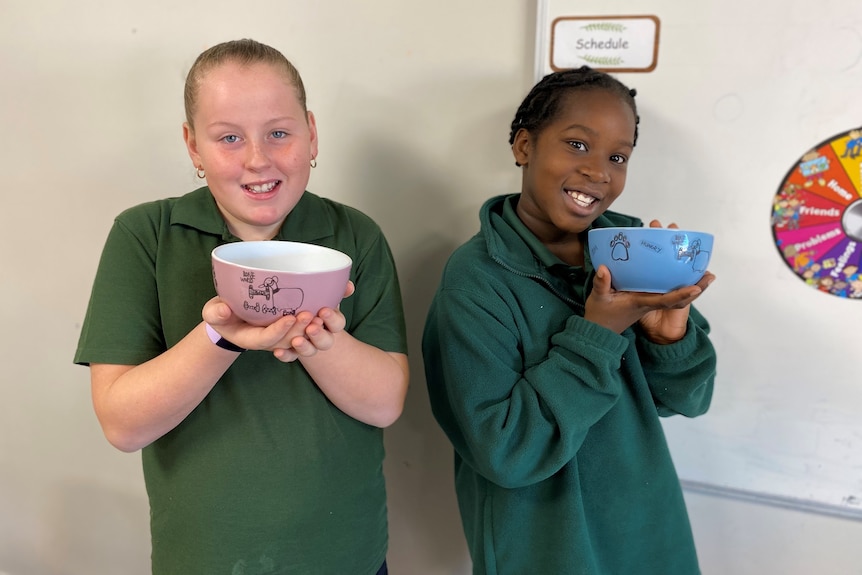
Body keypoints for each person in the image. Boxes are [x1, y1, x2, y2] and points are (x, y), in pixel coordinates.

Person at [74, 39, 408, 575]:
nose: (258, 158)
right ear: (192, 147)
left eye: (279, 132)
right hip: (206, 559)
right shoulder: (146, 235)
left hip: (348, 556)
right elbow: (122, 425)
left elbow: (386, 402)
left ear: (312, 133)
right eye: (229, 137)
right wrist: (224, 336)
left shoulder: (353, 237)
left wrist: (319, 340)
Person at [422, 66, 717, 575]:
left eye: (618, 157)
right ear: (523, 146)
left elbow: (689, 400)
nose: (599, 171)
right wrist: (598, 332)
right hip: (545, 544)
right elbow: (506, 453)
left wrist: (668, 338)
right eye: (578, 145)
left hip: (646, 524)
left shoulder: (632, 251)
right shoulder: (475, 280)